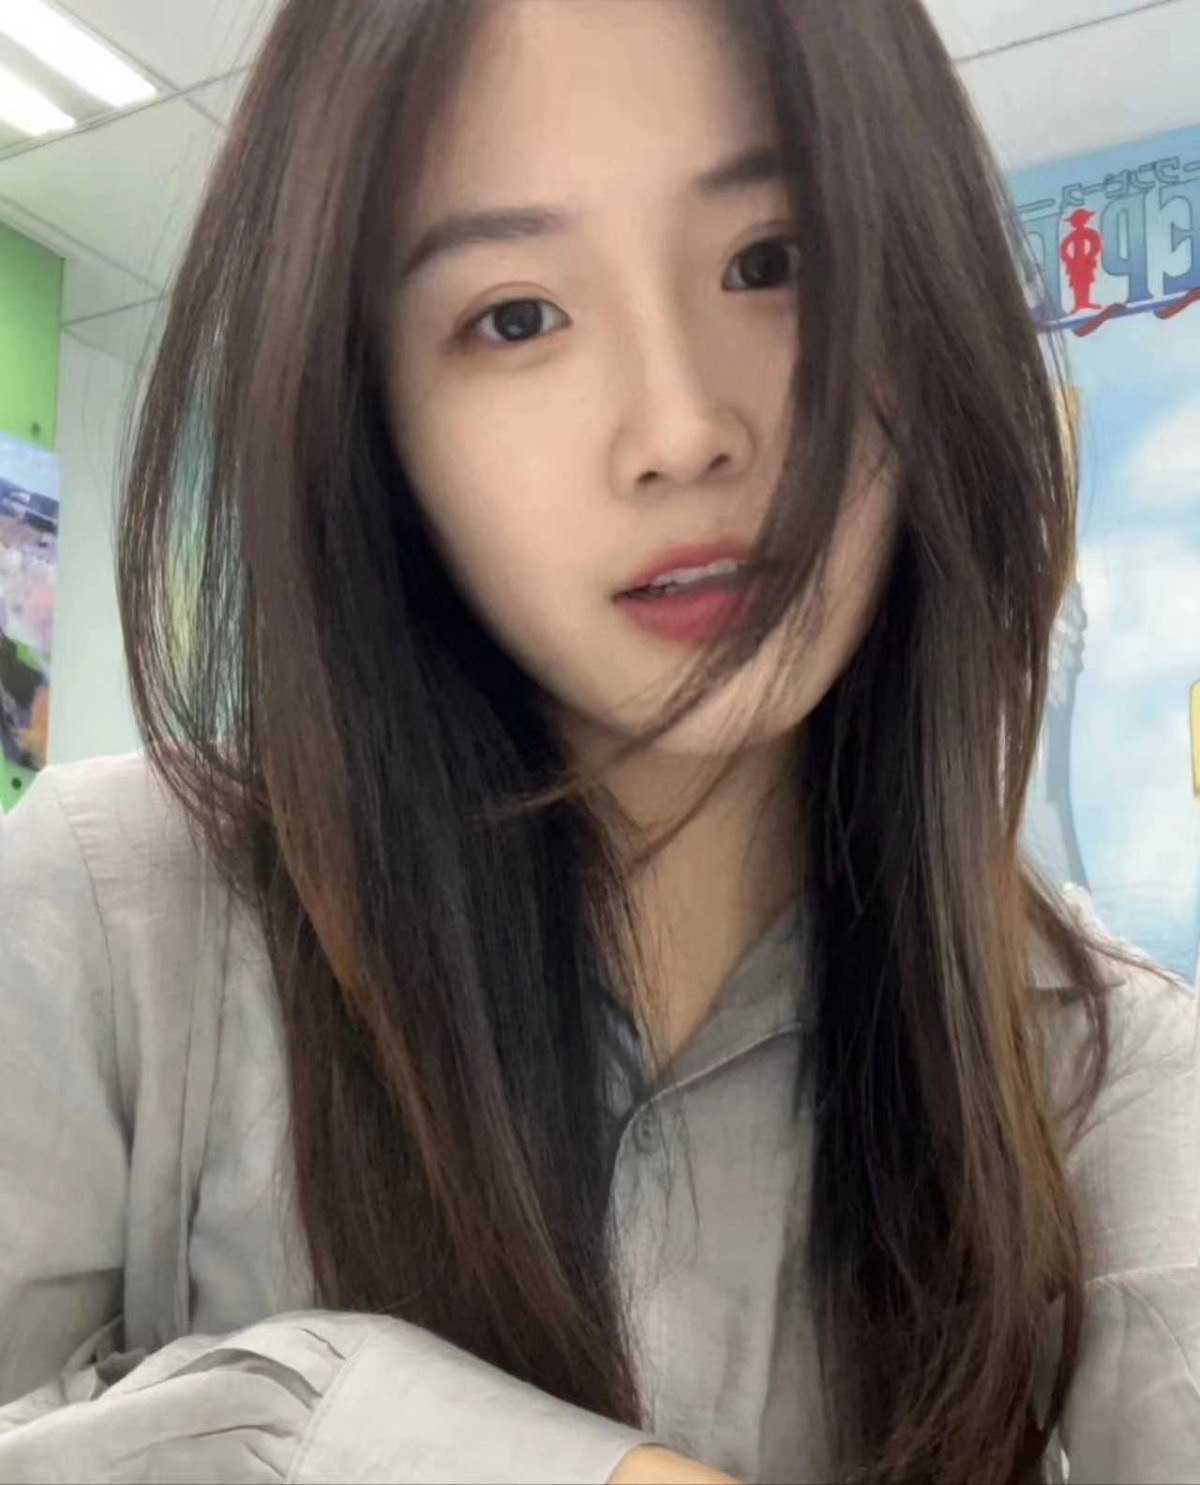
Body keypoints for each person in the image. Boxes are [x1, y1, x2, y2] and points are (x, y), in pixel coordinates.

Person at [0, 2, 1196, 1481]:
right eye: (516, 316)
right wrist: (346, 1431)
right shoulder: (115, 921)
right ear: (369, 413)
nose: (683, 428)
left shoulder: (1109, 1075)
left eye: (774, 261)